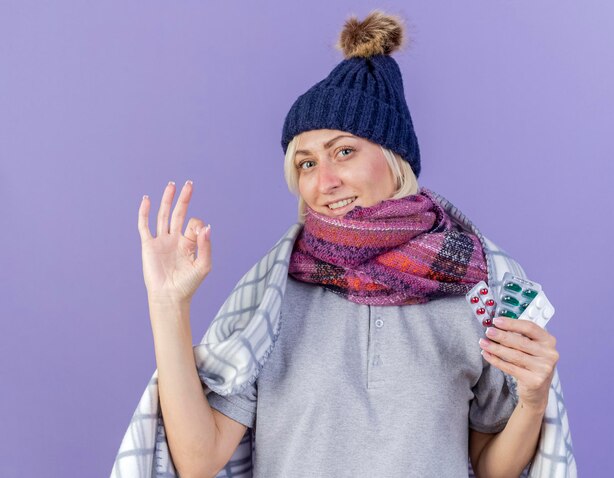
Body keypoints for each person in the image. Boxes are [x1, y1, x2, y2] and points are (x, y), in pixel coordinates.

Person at [131, 11, 572, 478]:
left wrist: (532, 400)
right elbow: (198, 461)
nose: (325, 181)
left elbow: (491, 469)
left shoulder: (475, 287)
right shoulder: (273, 295)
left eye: (344, 151)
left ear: (394, 158)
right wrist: (167, 305)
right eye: (305, 163)